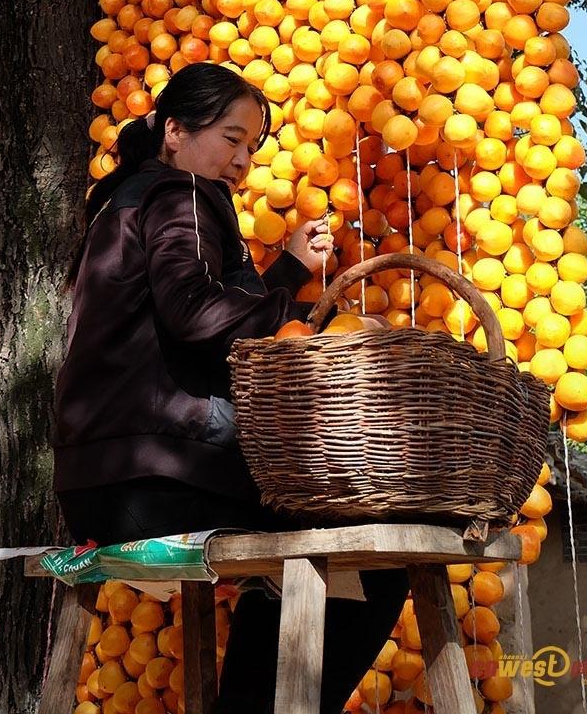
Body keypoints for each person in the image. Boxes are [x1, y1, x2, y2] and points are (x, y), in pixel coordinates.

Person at [53, 62, 408, 714]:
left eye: (253, 147)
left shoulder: (130, 199)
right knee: (377, 554)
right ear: (175, 131)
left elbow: (203, 318)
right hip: (161, 483)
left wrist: (289, 272)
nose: (243, 160)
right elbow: (195, 314)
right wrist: (303, 321)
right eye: (231, 138)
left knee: (296, 554)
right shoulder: (183, 192)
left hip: (95, 492)